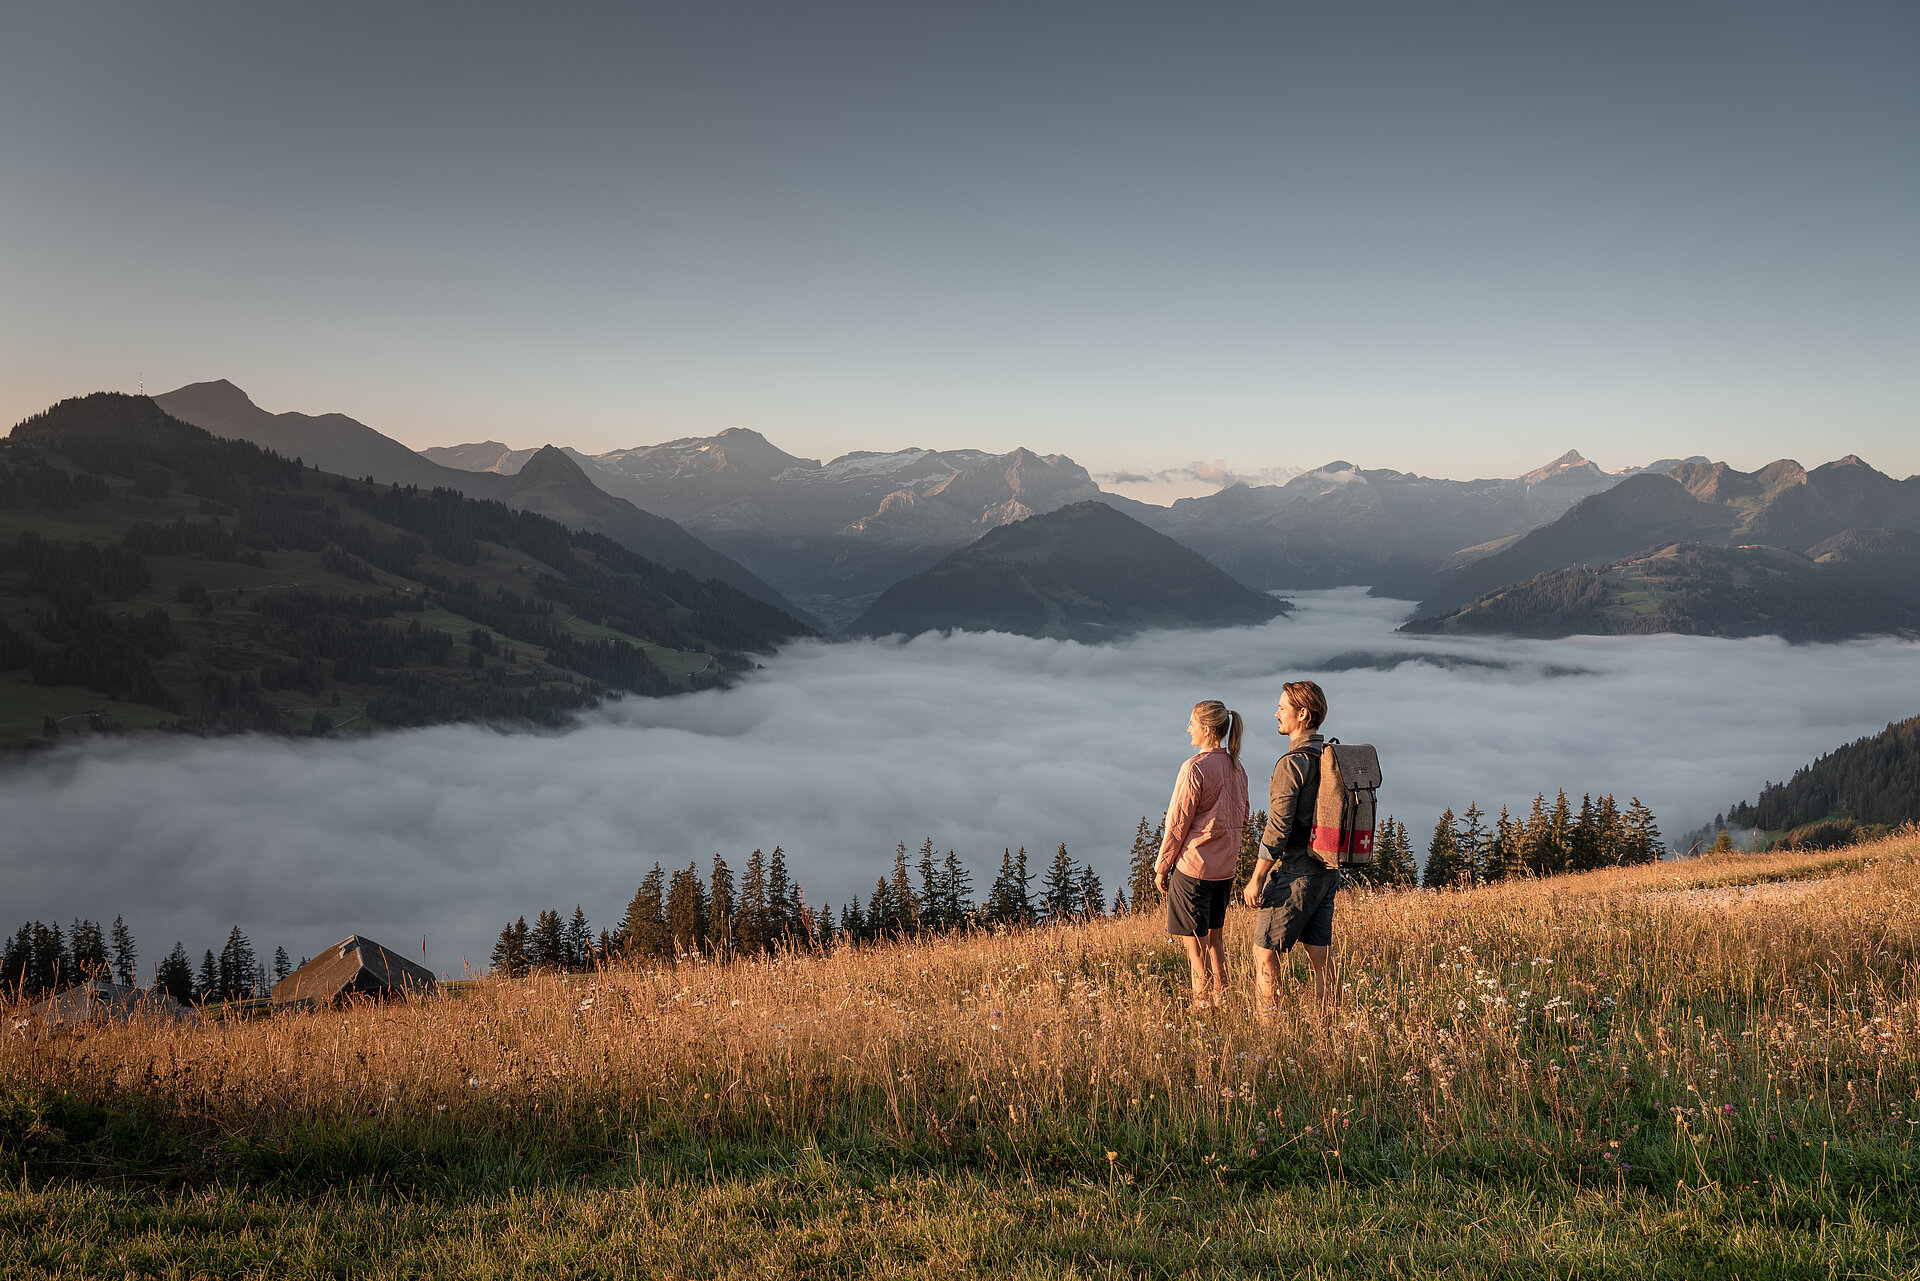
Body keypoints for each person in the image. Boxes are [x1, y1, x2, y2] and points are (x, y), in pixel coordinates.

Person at [1241, 679, 1337, 1016]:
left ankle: (1271, 1032)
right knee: (1321, 957)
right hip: (1328, 871)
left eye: (1283, 708)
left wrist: (1257, 878)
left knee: (1265, 951)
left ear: (1303, 714)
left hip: (1297, 874)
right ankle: (1327, 1025)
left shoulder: (1292, 764)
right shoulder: (1330, 758)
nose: (1276, 713)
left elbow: (1278, 828)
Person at [1153, 699, 1249, 1010]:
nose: (1188, 729)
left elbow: (1177, 822)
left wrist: (1162, 867)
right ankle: (1223, 1001)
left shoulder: (1194, 768)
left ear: (1207, 730)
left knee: (1195, 947)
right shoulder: (1237, 767)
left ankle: (1202, 1005)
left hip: (1194, 869)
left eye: (1192, 724)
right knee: (1216, 942)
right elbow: (1244, 815)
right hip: (1225, 870)